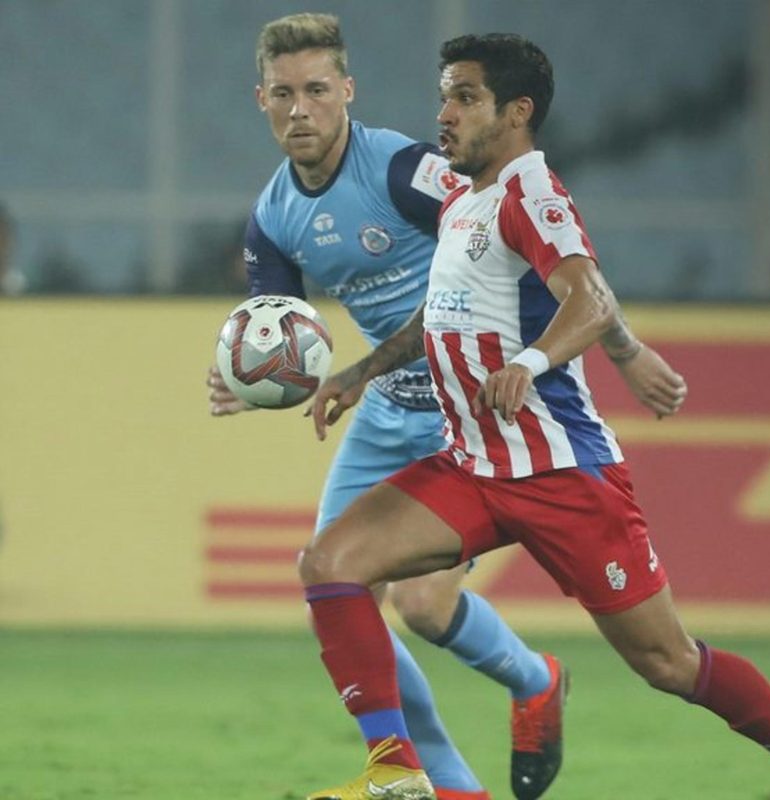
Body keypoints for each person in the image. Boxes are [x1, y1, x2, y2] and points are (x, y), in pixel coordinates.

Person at [297, 32, 770, 800]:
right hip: (473, 467)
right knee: (330, 564)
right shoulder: (465, 198)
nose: (445, 113)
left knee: (668, 663)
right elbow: (443, 312)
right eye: (444, 96)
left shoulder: (533, 195)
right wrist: (364, 370)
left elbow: (588, 298)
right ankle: (396, 772)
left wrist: (531, 363)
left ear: (516, 112)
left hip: (561, 475)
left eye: (465, 98)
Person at [207, 15, 687, 799]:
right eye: (284, 94)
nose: (301, 109)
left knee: (426, 608)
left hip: (466, 410)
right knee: (335, 586)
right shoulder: (271, 219)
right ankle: (447, 786)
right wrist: (248, 379)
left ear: (347, 91)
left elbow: (543, 250)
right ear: (261, 100)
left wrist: (625, 349)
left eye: (317, 90)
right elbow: (280, 337)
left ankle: (534, 681)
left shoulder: (406, 171)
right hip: (385, 412)